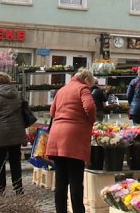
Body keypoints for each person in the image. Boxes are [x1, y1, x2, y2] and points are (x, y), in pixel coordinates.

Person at [47, 67, 97, 213]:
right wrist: (90, 121)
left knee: (61, 181)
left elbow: (52, 112)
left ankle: (60, 210)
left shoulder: (62, 90)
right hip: (74, 138)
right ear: (87, 79)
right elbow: (89, 107)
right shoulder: (83, 88)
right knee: (76, 181)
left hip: (56, 136)